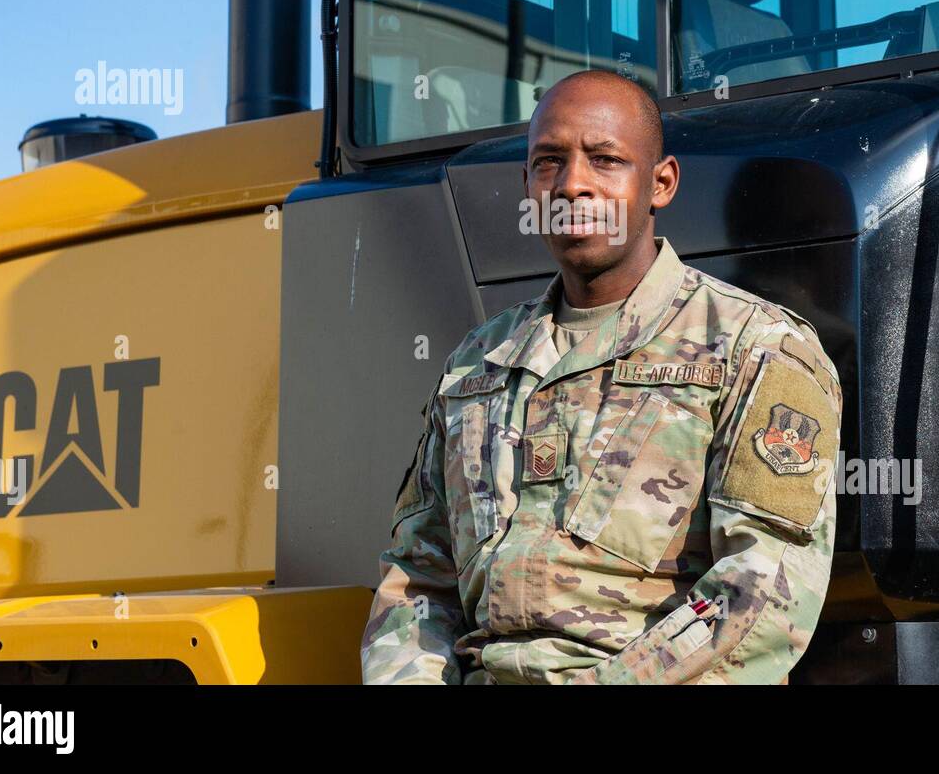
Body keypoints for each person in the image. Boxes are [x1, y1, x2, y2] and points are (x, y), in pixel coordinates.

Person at [361, 69, 842, 684]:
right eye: (548, 162)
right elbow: (416, 583)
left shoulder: (758, 349)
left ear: (660, 183)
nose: (573, 185)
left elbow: (761, 598)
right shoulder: (475, 366)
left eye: (606, 160)